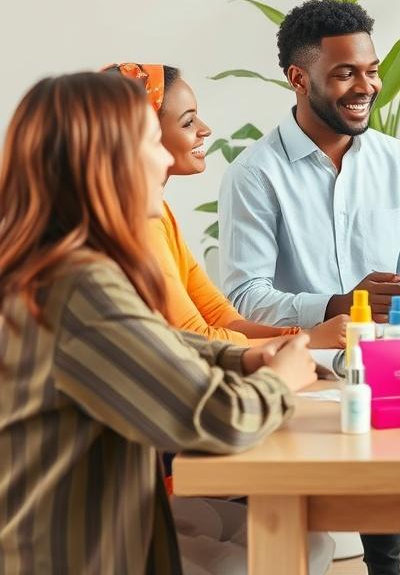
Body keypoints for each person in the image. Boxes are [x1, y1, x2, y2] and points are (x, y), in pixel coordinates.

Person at [0, 73, 318, 574]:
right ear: (107, 163)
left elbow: (159, 343)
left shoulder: (58, 269)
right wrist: (280, 381)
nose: (166, 160)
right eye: (154, 144)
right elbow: (219, 419)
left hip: (80, 534)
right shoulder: (83, 286)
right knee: (291, 547)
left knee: (303, 544)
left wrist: (247, 355)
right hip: (83, 555)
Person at [219, 0, 400, 573]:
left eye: (372, 69)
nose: (366, 86)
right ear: (299, 79)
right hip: (304, 370)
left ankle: (387, 564)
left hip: (391, 364)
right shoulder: (256, 175)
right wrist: (339, 304)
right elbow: (243, 299)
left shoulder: (397, 162)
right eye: (345, 73)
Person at [107, 62, 346, 349]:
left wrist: (301, 338)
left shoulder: (158, 212)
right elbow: (197, 339)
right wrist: (308, 341)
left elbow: (221, 317)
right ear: (138, 136)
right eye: (188, 122)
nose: (205, 130)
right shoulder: (137, 221)